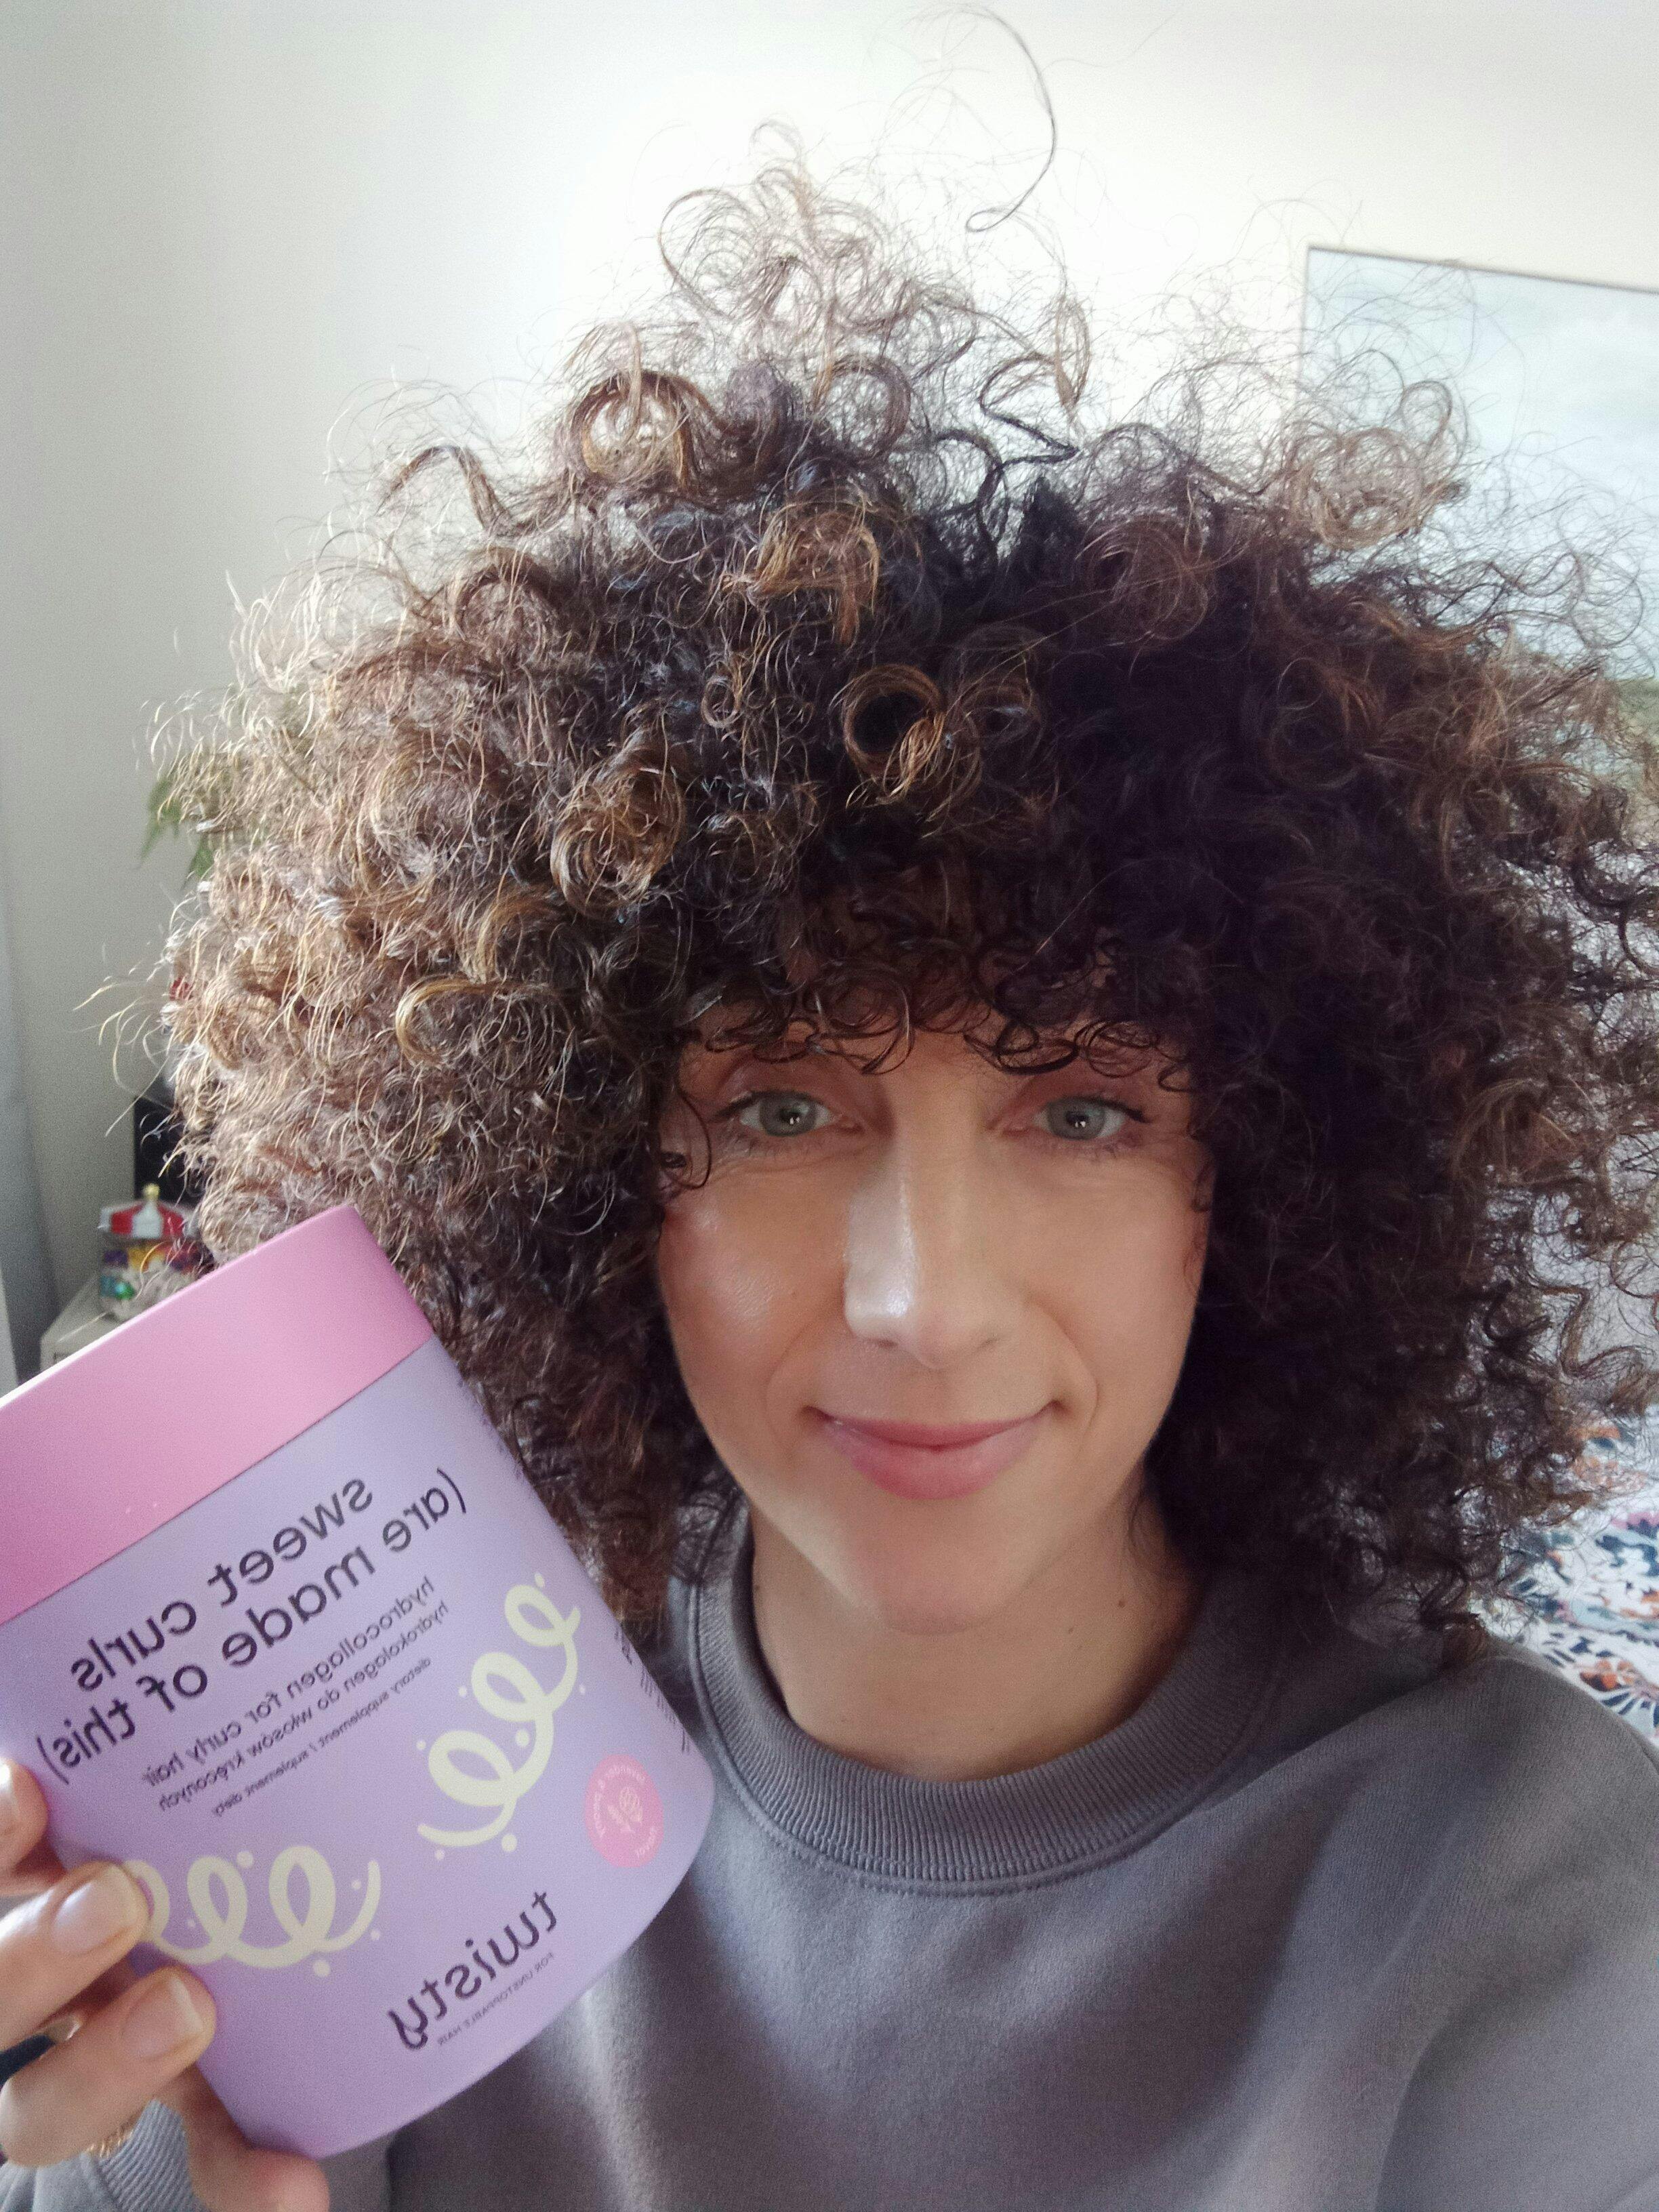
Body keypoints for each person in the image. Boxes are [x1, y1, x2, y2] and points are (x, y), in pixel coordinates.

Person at [5, 147, 1659, 2212]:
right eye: (784, 1109)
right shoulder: (382, 1772)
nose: (923, 1304)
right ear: (590, 1161)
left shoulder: (1529, 1919)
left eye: (1082, 1114)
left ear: (1254, 1183)